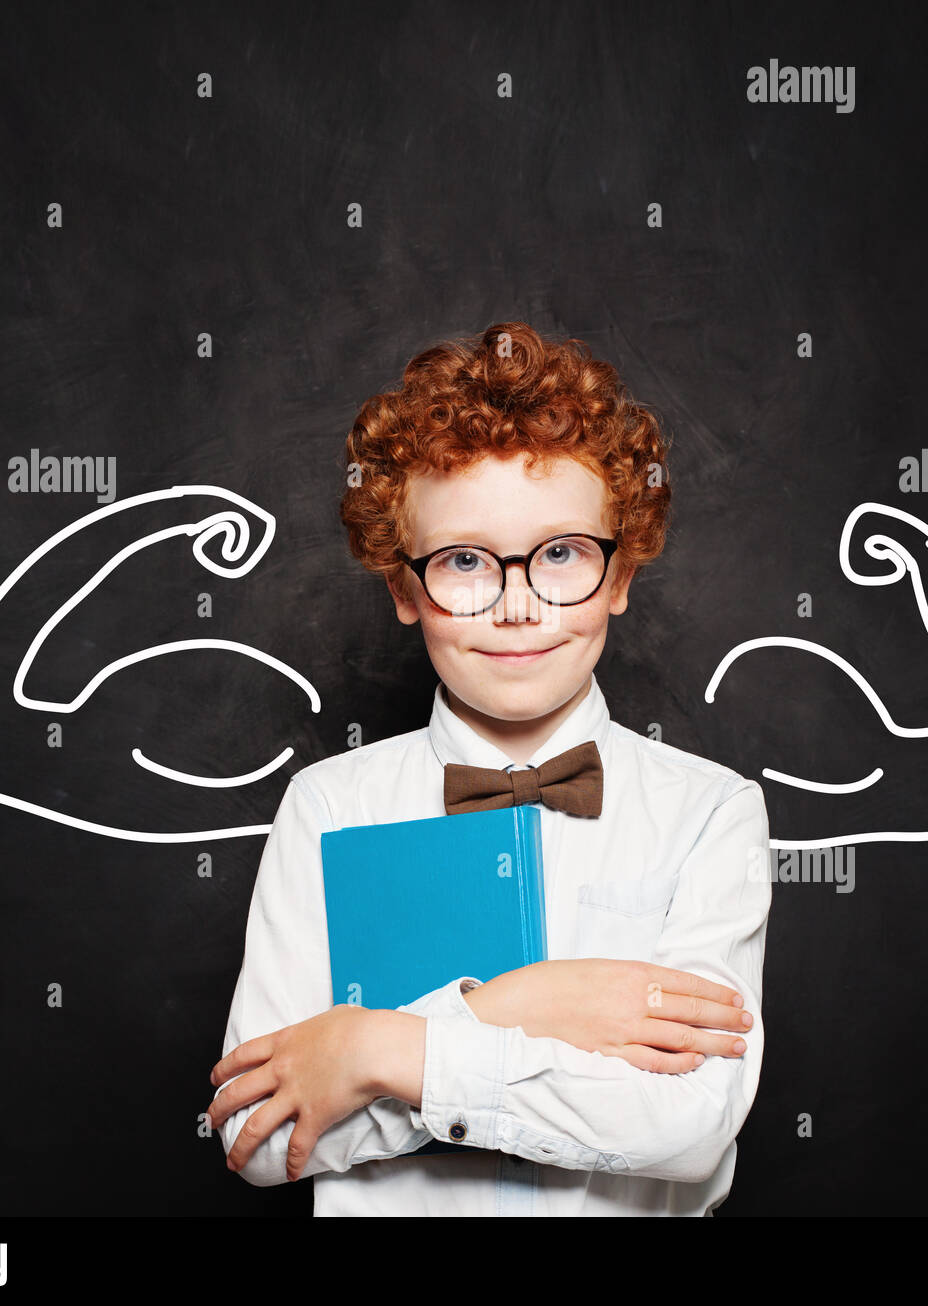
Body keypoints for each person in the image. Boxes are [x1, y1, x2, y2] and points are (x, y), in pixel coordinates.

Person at [204, 321, 771, 1215]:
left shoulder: (710, 814)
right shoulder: (327, 807)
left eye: (561, 555)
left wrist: (376, 1052)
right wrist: (527, 1007)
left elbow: (689, 1123)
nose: (516, 605)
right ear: (403, 587)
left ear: (620, 576)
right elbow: (261, 1137)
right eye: (464, 561)